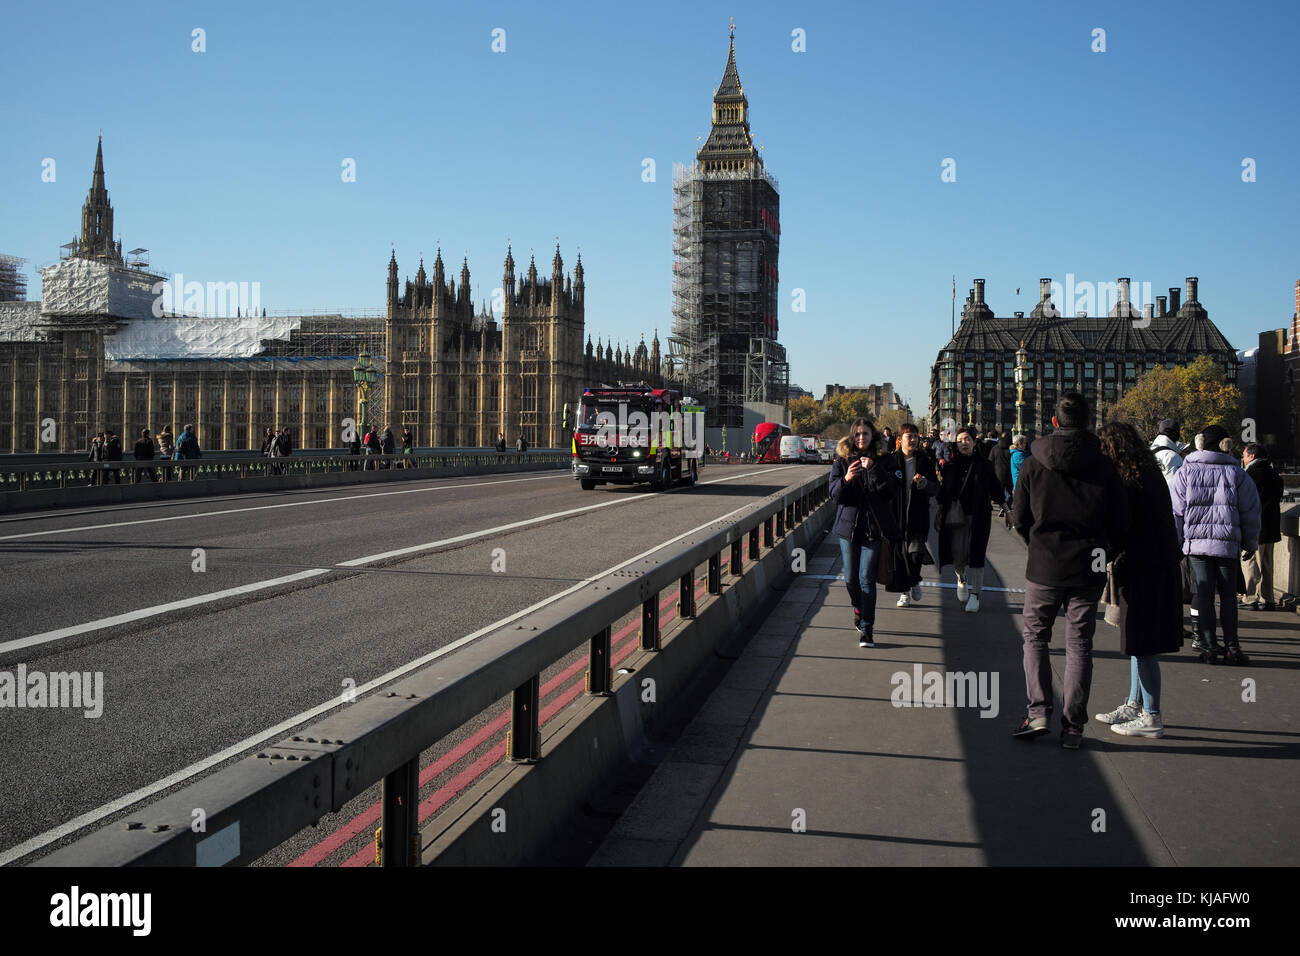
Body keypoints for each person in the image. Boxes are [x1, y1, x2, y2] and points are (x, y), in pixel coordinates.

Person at [1010, 392, 1130, 749]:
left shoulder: (1033, 462)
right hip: (1088, 565)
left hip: (1045, 563)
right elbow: (1122, 522)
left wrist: (1035, 543)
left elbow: (1018, 517)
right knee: (1079, 644)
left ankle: (1038, 711)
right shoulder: (1105, 466)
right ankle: (1073, 725)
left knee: (1035, 637)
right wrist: (1105, 550)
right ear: (1088, 422)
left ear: (1055, 422)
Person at [1094, 422, 1184, 738]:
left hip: (1145, 569)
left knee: (1142, 644)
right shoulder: (1146, 474)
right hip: (1155, 565)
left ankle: (1152, 715)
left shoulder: (1129, 481)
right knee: (1137, 643)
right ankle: (1136, 703)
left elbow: (1122, 528)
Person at [1170, 424, 1261, 665]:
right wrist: (1250, 543)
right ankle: (1232, 648)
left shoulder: (1185, 473)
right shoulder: (1238, 474)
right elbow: (1251, 513)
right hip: (1227, 546)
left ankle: (1209, 648)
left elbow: (1176, 513)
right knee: (1229, 596)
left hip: (1196, 546)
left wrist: (1177, 544)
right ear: (1226, 445)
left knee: (1205, 595)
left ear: (1199, 443)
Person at [829, 419, 900, 647]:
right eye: (858, 434)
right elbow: (834, 494)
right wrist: (847, 478)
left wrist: (875, 469)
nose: (861, 438)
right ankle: (858, 608)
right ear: (852, 436)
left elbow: (892, 491)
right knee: (850, 579)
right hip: (848, 528)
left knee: (866, 580)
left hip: (873, 528)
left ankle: (867, 629)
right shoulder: (841, 460)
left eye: (866, 434)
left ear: (873, 436)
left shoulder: (884, 460)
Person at [935, 425, 1003, 613]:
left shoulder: (985, 465)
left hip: (979, 516)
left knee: (977, 555)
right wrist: (939, 513)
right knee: (958, 554)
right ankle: (961, 577)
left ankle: (976, 595)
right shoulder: (949, 466)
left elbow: (995, 488)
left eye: (967, 439)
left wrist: (1007, 508)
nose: (963, 443)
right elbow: (943, 493)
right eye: (960, 440)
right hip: (956, 516)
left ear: (974, 442)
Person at [887, 423, 939, 607]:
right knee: (901, 557)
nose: (914, 440)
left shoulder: (924, 461)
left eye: (916, 436)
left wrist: (924, 483)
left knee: (916, 554)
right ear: (899, 440)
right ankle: (905, 593)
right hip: (897, 516)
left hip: (918, 516)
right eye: (910, 436)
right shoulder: (891, 461)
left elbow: (935, 489)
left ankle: (914, 580)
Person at [1240, 444, 1282, 611]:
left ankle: (1250, 598)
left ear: (1251, 456)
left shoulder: (1250, 474)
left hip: (1255, 525)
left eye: (1244, 455)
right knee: (1267, 564)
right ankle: (1268, 598)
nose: (1242, 459)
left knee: (1251, 563)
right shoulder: (1274, 474)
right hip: (1271, 526)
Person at [1150, 419, 1187, 483]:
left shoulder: (1147, 453)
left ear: (1158, 433)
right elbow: (1175, 488)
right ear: (1177, 436)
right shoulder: (1173, 457)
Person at [989, 431, 1013, 517]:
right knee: (1010, 492)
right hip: (1010, 473)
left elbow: (990, 461)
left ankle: (1001, 507)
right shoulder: (1011, 448)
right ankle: (1008, 507)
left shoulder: (995, 448)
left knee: (1000, 492)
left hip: (998, 473)